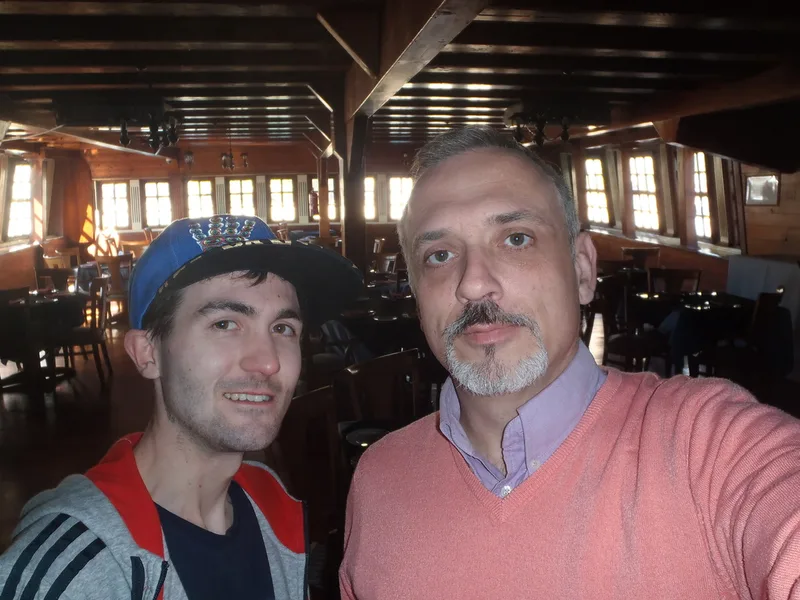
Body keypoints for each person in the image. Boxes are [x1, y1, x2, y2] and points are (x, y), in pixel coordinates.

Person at [339, 127, 800, 599]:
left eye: (516, 238)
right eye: (439, 255)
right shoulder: (377, 479)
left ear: (582, 269)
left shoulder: (711, 445)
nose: (473, 284)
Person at [0, 215, 361, 600]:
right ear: (148, 353)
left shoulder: (270, 502)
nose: (268, 362)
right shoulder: (73, 571)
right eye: (225, 324)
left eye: (283, 328)